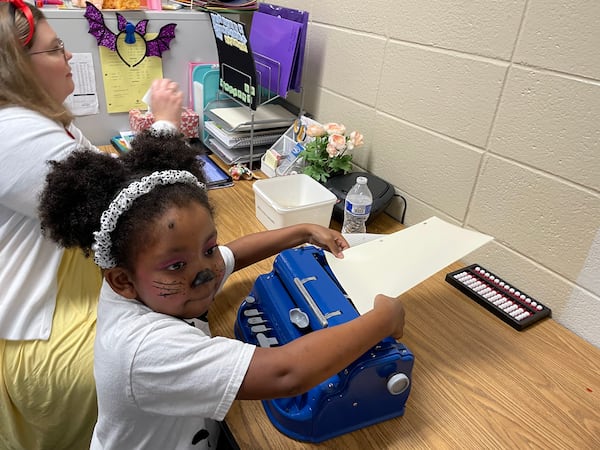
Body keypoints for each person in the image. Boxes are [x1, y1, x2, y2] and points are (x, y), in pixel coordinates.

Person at [38, 130, 407, 450]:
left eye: (208, 247)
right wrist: (383, 319)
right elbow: (286, 372)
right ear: (122, 280)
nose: (206, 272)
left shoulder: (154, 284)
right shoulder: (145, 350)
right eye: (177, 265)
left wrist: (303, 231)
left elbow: (233, 254)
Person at [0, 1, 184, 448]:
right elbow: (133, 210)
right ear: (15, 68)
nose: (68, 58)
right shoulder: (14, 131)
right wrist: (163, 126)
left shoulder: (44, 123)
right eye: (55, 49)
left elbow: (108, 180)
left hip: (65, 304)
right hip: (49, 336)